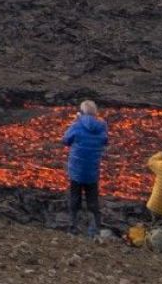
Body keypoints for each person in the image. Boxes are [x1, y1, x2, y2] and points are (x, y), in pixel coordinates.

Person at [61, 100, 110, 238]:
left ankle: (73, 227)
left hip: (76, 171)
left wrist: (76, 121)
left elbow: (65, 140)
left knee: (75, 197)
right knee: (92, 200)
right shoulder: (102, 126)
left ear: (81, 112)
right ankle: (94, 230)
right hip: (92, 172)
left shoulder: (77, 126)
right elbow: (105, 141)